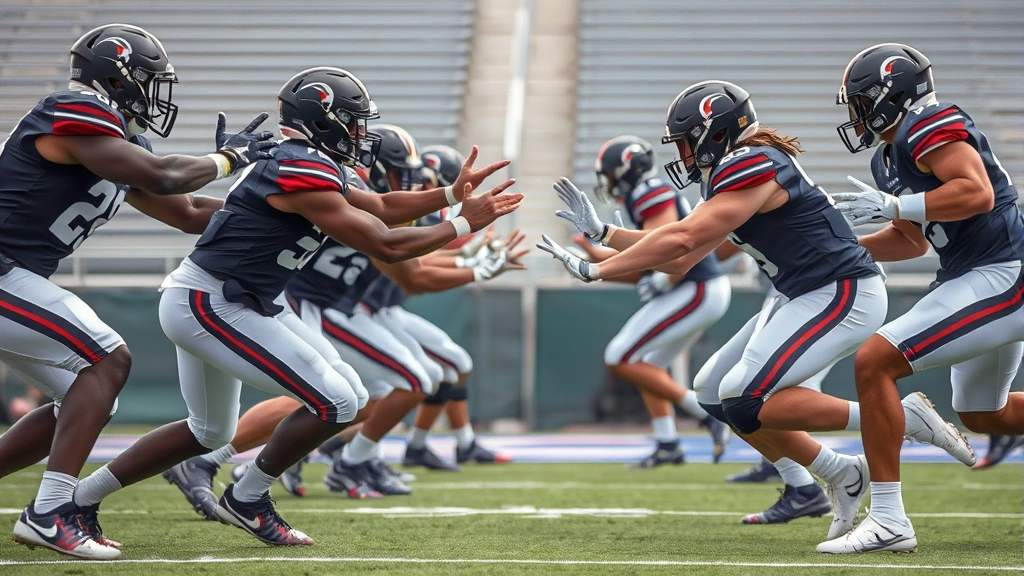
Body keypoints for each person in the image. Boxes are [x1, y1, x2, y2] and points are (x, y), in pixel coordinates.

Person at [69, 67, 521, 551]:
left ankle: (79, 500)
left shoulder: (311, 160)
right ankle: (248, 496)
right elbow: (386, 244)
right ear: (322, 120)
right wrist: (459, 224)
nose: (360, 134)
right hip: (214, 300)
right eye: (353, 122)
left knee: (217, 429)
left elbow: (383, 207)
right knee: (339, 401)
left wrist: (453, 196)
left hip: (243, 300)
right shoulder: (296, 165)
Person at [538, 80, 974, 545]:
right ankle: (841, 473)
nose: (684, 154)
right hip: (804, 292)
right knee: (712, 394)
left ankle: (904, 420)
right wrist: (605, 235)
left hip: (841, 291)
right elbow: (682, 255)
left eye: (687, 141)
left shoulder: (752, 163)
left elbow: (682, 242)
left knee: (745, 398)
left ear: (716, 132)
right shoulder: (738, 166)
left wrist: (596, 269)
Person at [2, 23, 276, 560]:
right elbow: (166, 177)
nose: (156, 95)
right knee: (107, 362)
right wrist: (230, 160)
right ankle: (51, 512)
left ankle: (50, 510)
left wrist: (275, 217)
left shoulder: (116, 140)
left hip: (16, 276)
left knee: (82, 398)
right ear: (120, 77)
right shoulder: (74, 108)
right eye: (151, 81)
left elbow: (189, 212)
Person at [819, 43, 1024, 554]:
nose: (856, 115)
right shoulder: (887, 154)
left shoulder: (928, 121)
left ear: (892, 95)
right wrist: (841, 251)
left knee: (875, 361)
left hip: (1002, 270)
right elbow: (912, 238)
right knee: (982, 413)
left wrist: (895, 203)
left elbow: (975, 192)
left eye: (861, 102)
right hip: (975, 274)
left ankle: (889, 518)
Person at [569, 135, 731, 468]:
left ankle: (706, 413)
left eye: (612, 174)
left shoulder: (648, 192)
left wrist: (660, 275)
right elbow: (642, 266)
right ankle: (667, 442)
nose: (608, 183)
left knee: (620, 355)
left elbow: (665, 248)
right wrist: (594, 262)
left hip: (695, 286)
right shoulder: (642, 194)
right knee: (648, 365)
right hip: (694, 288)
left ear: (628, 170)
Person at [402, 145, 514, 469]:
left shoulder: (409, 208)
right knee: (367, 393)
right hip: (354, 309)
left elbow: (416, 260)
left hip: (376, 308)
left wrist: (469, 256)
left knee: (449, 367)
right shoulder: (400, 208)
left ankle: (435, 445)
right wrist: (474, 265)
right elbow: (413, 270)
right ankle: (352, 455)